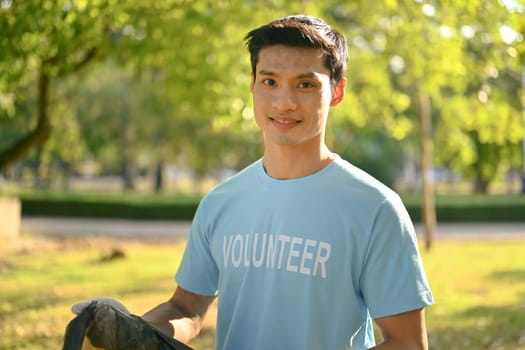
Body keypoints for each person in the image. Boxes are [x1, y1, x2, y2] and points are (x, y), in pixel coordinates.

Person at [75, 15, 434, 350]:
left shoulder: (375, 208)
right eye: (270, 81)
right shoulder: (220, 202)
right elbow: (187, 307)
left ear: (336, 92)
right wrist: (134, 330)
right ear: (253, 86)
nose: (284, 101)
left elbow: (407, 343)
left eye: (305, 84)